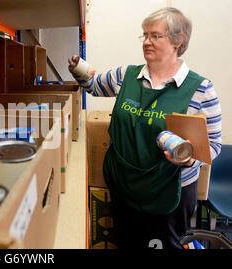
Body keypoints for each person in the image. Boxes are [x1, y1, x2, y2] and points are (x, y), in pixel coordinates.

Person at [68, 7, 222, 249]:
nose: (147, 42)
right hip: (124, 184)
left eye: (155, 36)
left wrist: (189, 159)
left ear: (177, 41)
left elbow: (212, 145)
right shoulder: (126, 76)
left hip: (170, 191)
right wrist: (77, 67)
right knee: (126, 242)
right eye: (145, 35)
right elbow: (94, 85)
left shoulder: (201, 89)